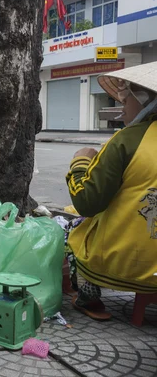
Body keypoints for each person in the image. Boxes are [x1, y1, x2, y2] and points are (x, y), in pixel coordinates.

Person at [65, 62, 157, 321]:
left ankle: (89, 296)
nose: (121, 111)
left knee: (72, 231)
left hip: (124, 267)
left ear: (143, 102)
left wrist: (80, 162)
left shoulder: (127, 140)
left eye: (125, 101)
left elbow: (87, 201)